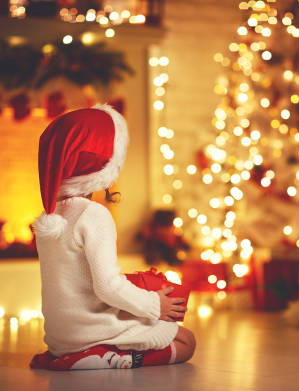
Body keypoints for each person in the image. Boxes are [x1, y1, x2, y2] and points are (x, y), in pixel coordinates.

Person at [30, 105, 196, 370]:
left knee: (165, 330)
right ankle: (107, 358)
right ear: (102, 165)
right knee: (186, 341)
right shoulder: (94, 214)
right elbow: (107, 287)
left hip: (60, 337)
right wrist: (156, 305)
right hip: (91, 330)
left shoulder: (50, 216)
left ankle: (77, 354)